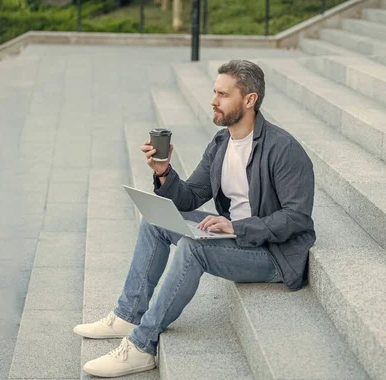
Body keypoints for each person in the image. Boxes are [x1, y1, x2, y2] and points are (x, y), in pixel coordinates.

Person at [73, 60, 316, 377]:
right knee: (157, 220)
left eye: (223, 94)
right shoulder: (221, 143)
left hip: (273, 254)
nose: (213, 101)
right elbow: (189, 196)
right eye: (214, 92)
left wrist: (235, 226)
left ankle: (141, 347)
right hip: (235, 238)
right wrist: (164, 173)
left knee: (192, 248)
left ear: (250, 99)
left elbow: (297, 218)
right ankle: (128, 314)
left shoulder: (283, 149)